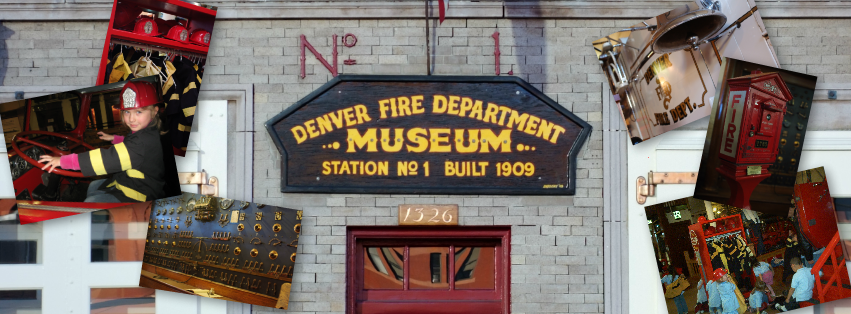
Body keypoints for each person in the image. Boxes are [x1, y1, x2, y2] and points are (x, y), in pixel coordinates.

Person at [38, 80, 167, 203]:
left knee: (91, 202)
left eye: (138, 112)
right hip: (131, 181)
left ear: (154, 111)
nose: (131, 119)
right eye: (127, 112)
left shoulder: (142, 141)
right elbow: (132, 147)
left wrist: (63, 161)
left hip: (140, 192)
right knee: (94, 185)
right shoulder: (148, 131)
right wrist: (114, 139)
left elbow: (106, 160)